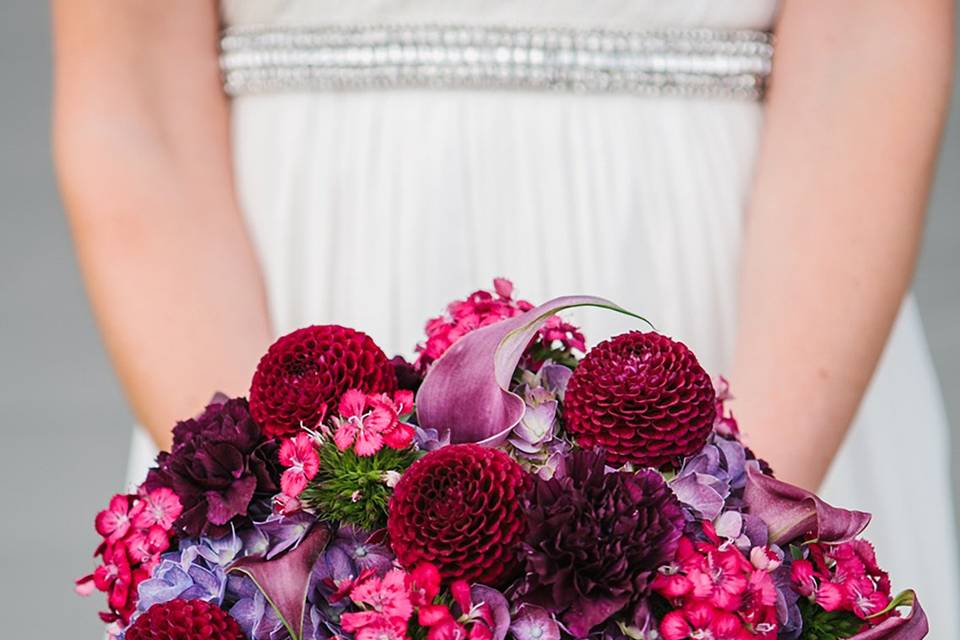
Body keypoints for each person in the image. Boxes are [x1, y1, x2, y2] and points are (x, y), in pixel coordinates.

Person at [52, 0, 958, 633]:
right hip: (277, 302)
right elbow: (136, 95)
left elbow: (867, 46)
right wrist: (278, 551)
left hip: (758, 307)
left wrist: (721, 556)